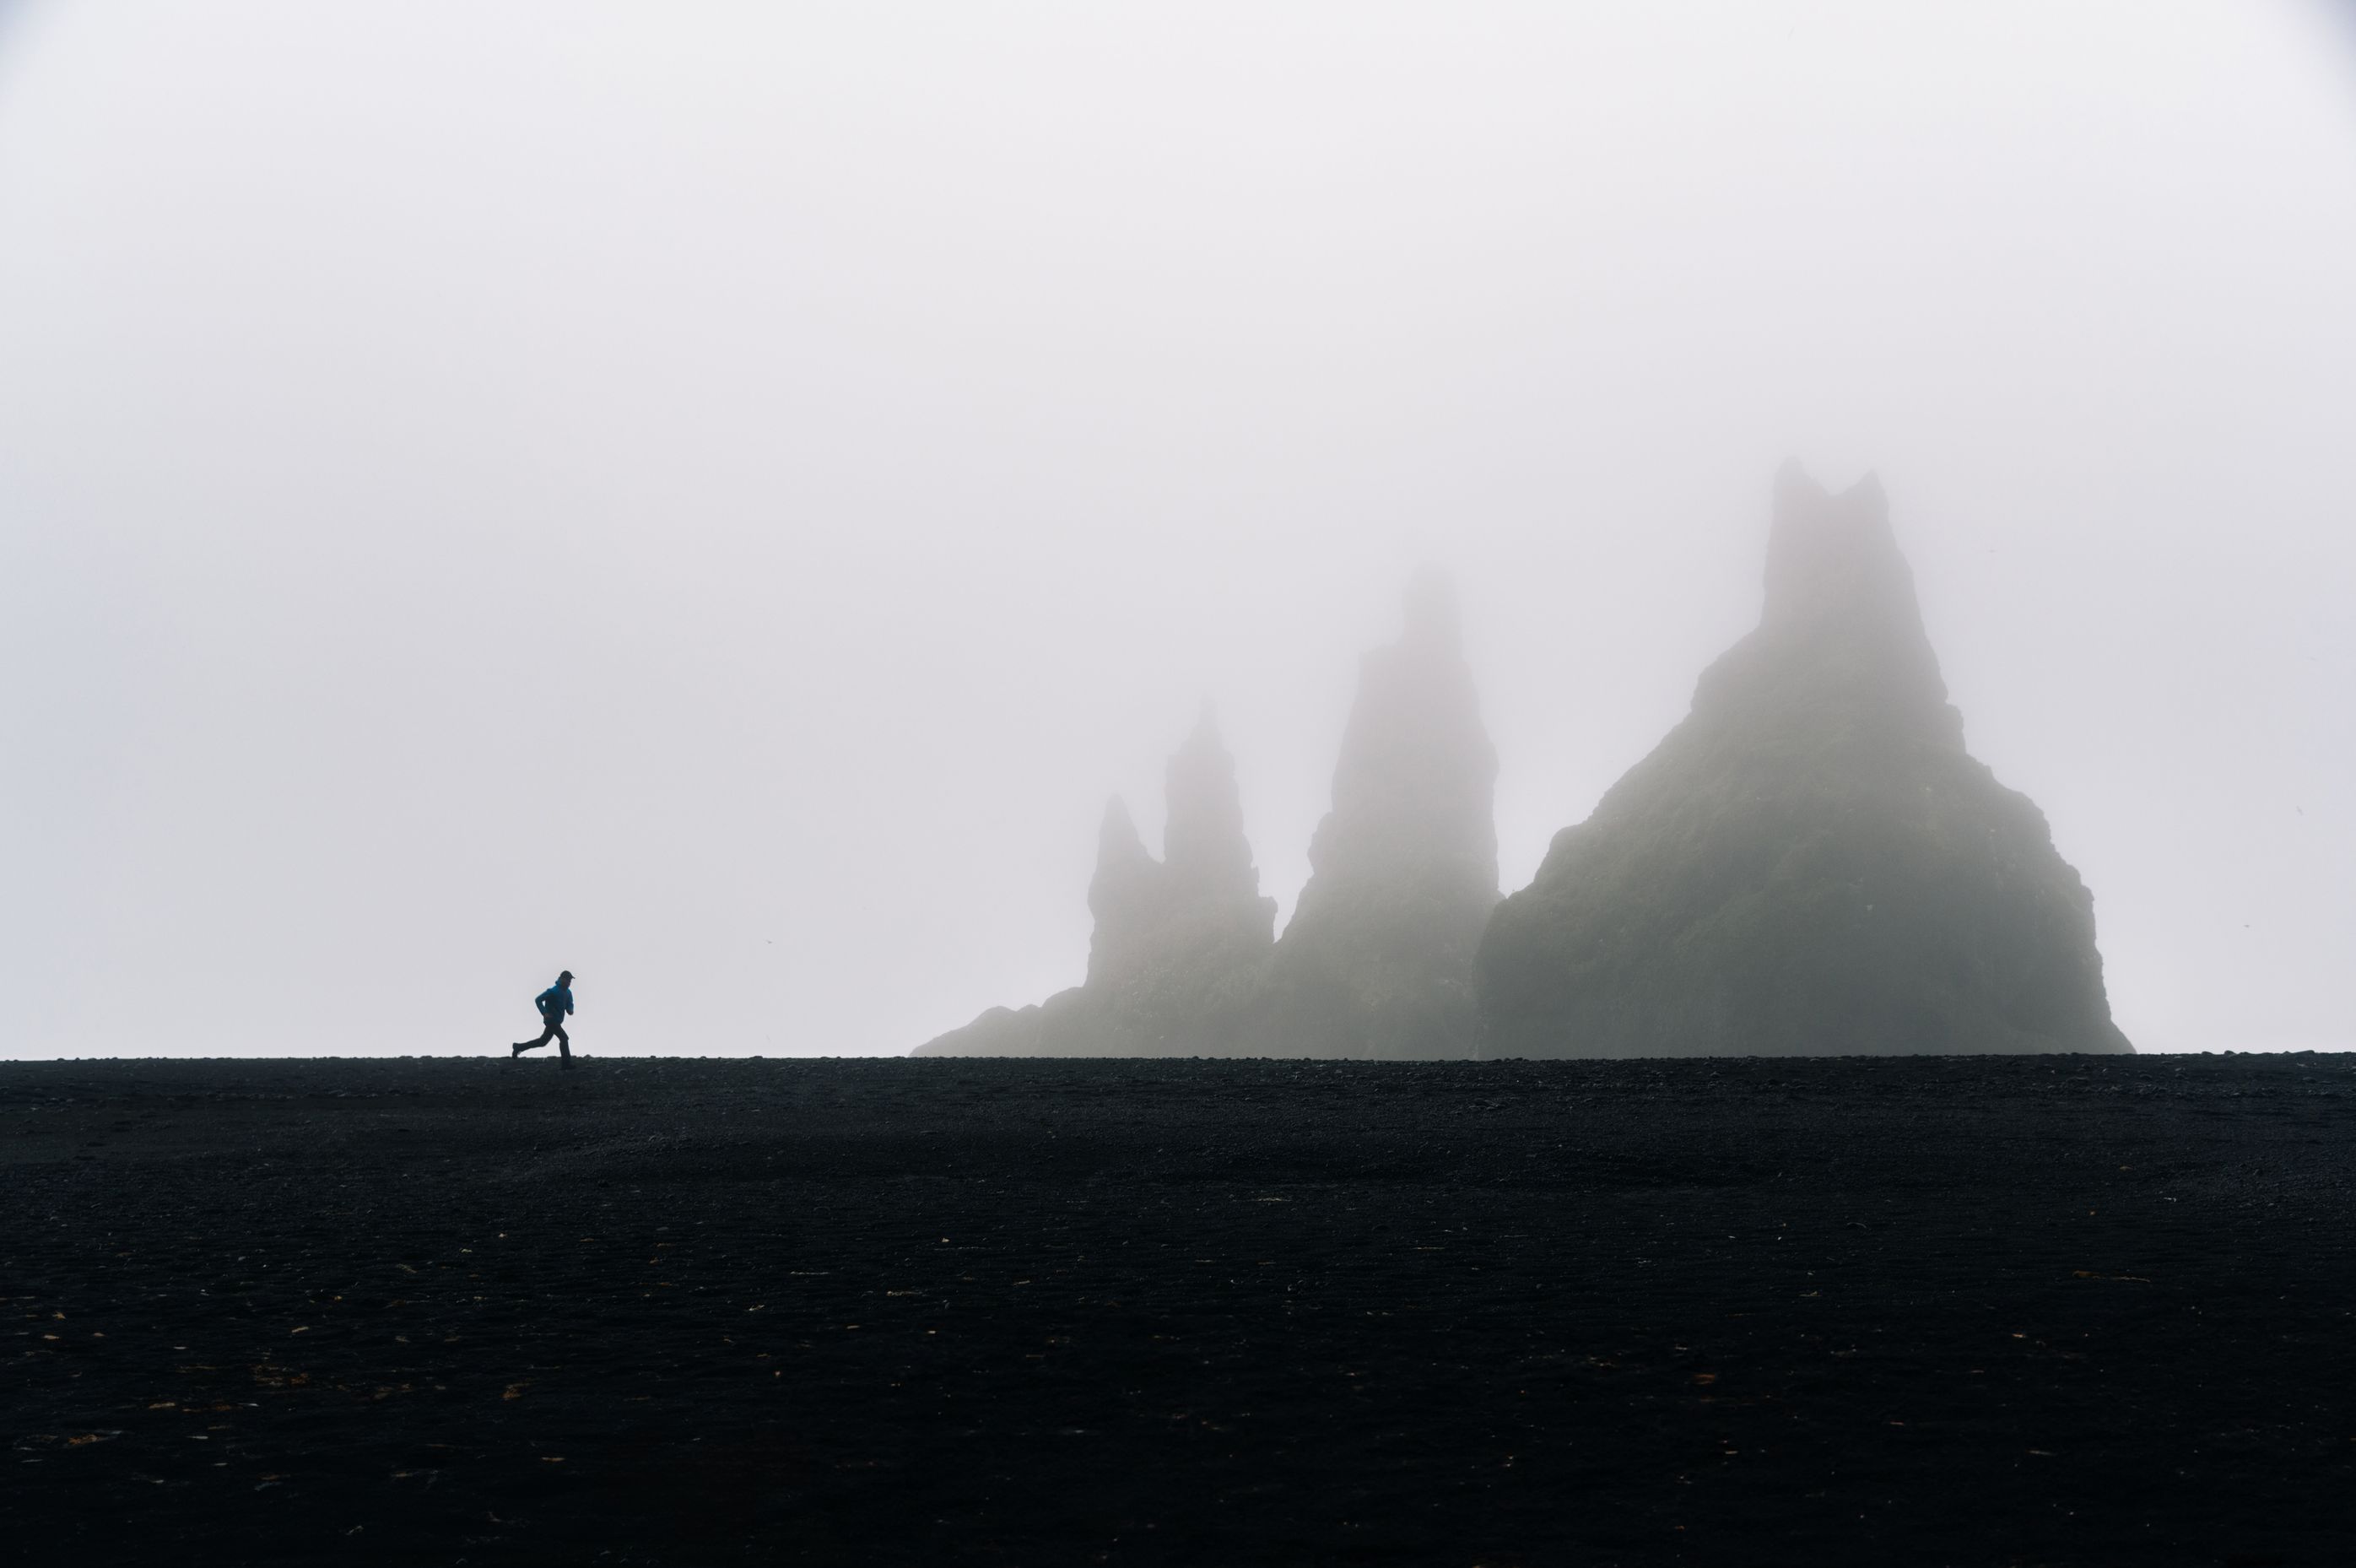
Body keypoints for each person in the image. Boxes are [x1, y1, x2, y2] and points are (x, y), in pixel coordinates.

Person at [511, 970, 576, 1067]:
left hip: (557, 1021)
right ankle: (566, 1064)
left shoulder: (568, 992)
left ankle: (518, 1047)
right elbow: (538, 1000)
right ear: (562, 979)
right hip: (551, 1020)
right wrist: (544, 1012)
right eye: (567, 980)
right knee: (564, 1038)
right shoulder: (553, 991)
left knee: (542, 1042)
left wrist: (570, 1009)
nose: (569, 983)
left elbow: (570, 1003)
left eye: (570, 981)